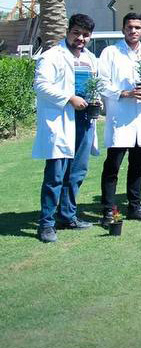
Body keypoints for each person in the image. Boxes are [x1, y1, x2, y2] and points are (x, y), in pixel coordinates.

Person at [32, 14, 99, 243]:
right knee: (56, 176)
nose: (81, 38)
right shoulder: (52, 56)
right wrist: (69, 98)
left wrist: (96, 100)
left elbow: (95, 85)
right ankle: (46, 224)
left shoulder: (90, 58)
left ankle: (68, 216)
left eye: (85, 35)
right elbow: (40, 85)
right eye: (76, 33)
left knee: (77, 172)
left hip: (84, 120)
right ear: (68, 32)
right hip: (61, 121)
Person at [98, 12, 141, 223]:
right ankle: (108, 210)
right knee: (113, 166)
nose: (133, 31)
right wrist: (124, 93)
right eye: (130, 27)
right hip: (121, 117)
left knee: (138, 166)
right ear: (123, 29)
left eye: (137, 27)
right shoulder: (111, 52)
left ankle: (135, 206)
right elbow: (102, 83)